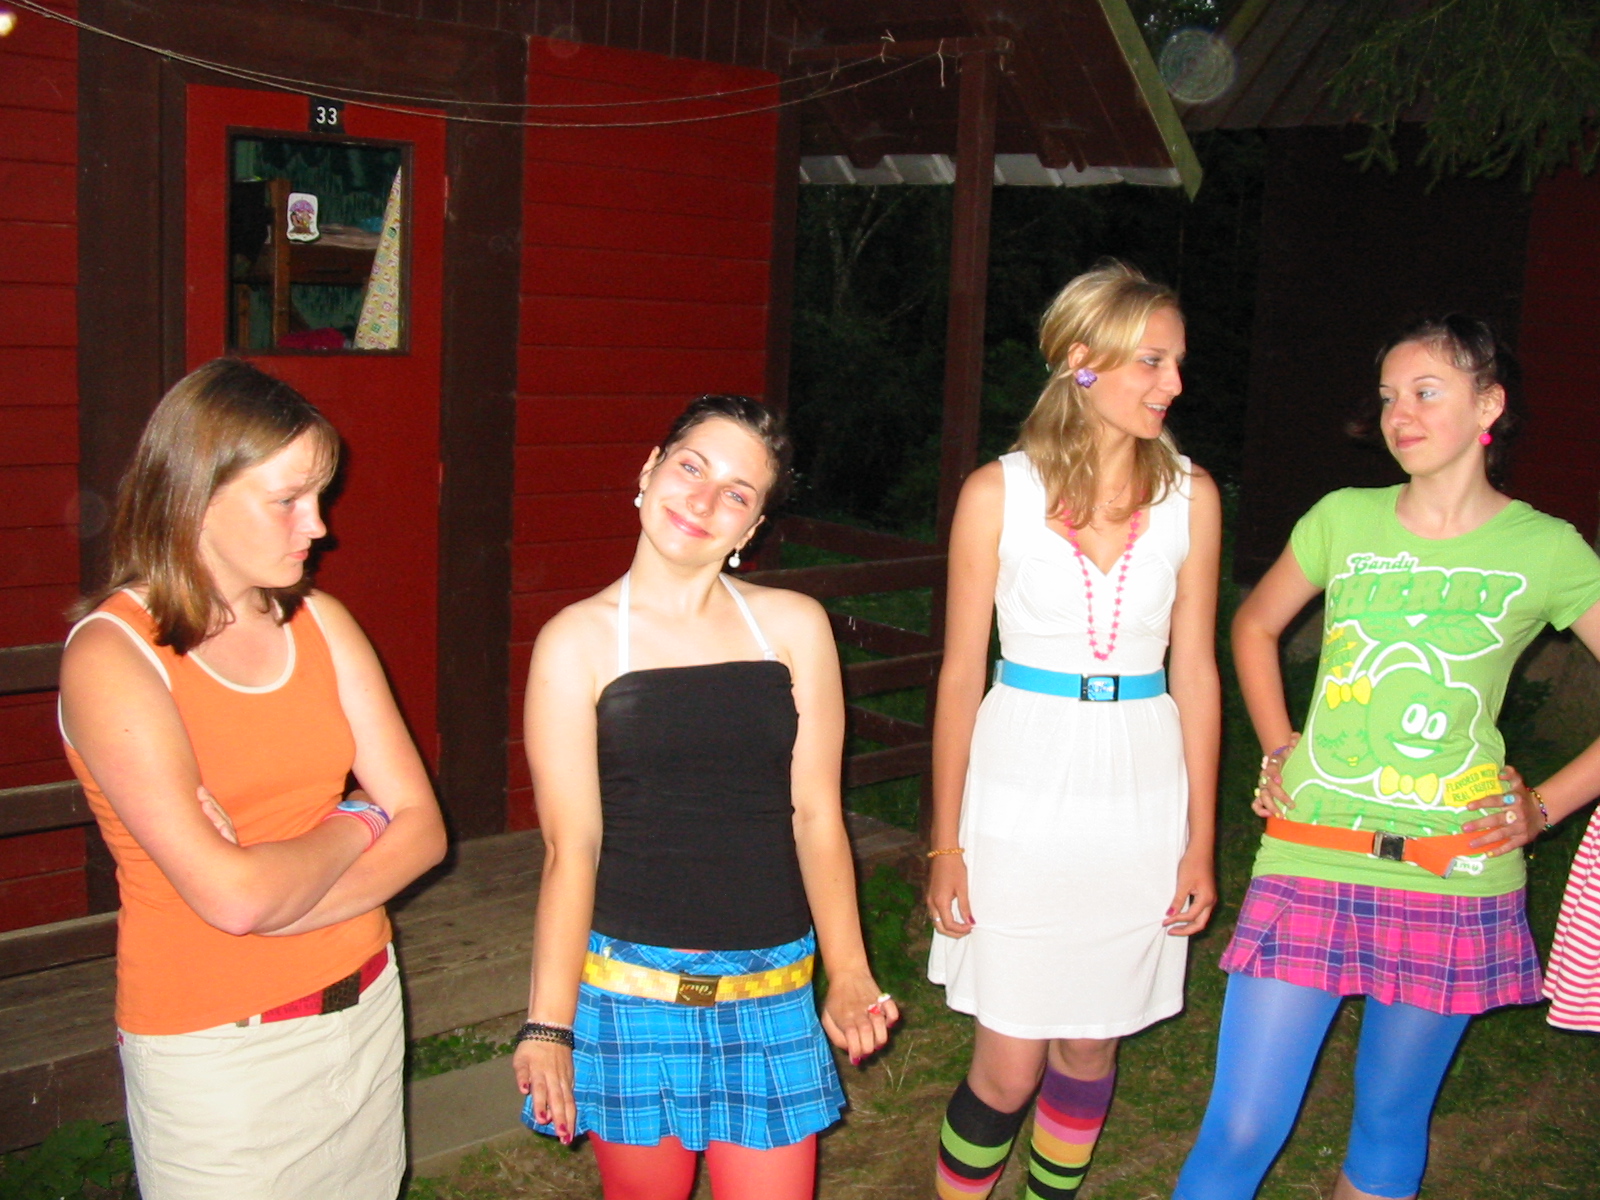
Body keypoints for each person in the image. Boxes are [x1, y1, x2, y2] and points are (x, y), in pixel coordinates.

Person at [1173, 315, 1600, 1200]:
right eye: (1388, 397)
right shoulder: (1343, 519)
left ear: (1489, 405)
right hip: (1312, 854)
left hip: (1455, 869)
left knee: (1390, 1121)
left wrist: (1544, 806)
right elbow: (1253, 625)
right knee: (1241, 1124)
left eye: (1426, 392)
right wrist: (1281, 746)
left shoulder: (1547, 548)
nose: (1400, 414)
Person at [57, 359, 446, 1200]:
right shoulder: (114, 658)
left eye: (320, 495)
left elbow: (425, 829)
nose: (319, 525)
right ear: (195, 495)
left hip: (365, 1006)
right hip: (220, 1053)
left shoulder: (322, 624)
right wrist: (360, 819)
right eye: (288, 499)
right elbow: (233, 900)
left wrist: (279, 897)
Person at [511, 395, 898, 1200]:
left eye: (737, 492)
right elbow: (570, 847)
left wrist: (850, 971)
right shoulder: (575, 641)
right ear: (649, 470)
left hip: (771, 982)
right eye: (691, 467)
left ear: (752, 527)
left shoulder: (795, 626)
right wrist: (549, 1024)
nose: (703, 499)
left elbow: (816, 815)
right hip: (629, 986)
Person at [926, 262, 1222, 1200]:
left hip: (1139, 789)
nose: (1174, 383)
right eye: (1153, 361)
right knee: (1009, 1064)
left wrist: (1200, 842)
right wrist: (945, 843)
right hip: (1021, 787)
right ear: (1083, 362)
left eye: (1177, 361)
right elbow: (960, 674)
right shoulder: (996, 493)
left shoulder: (1192, 497)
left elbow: (1197, 672)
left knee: (1091, 1047)